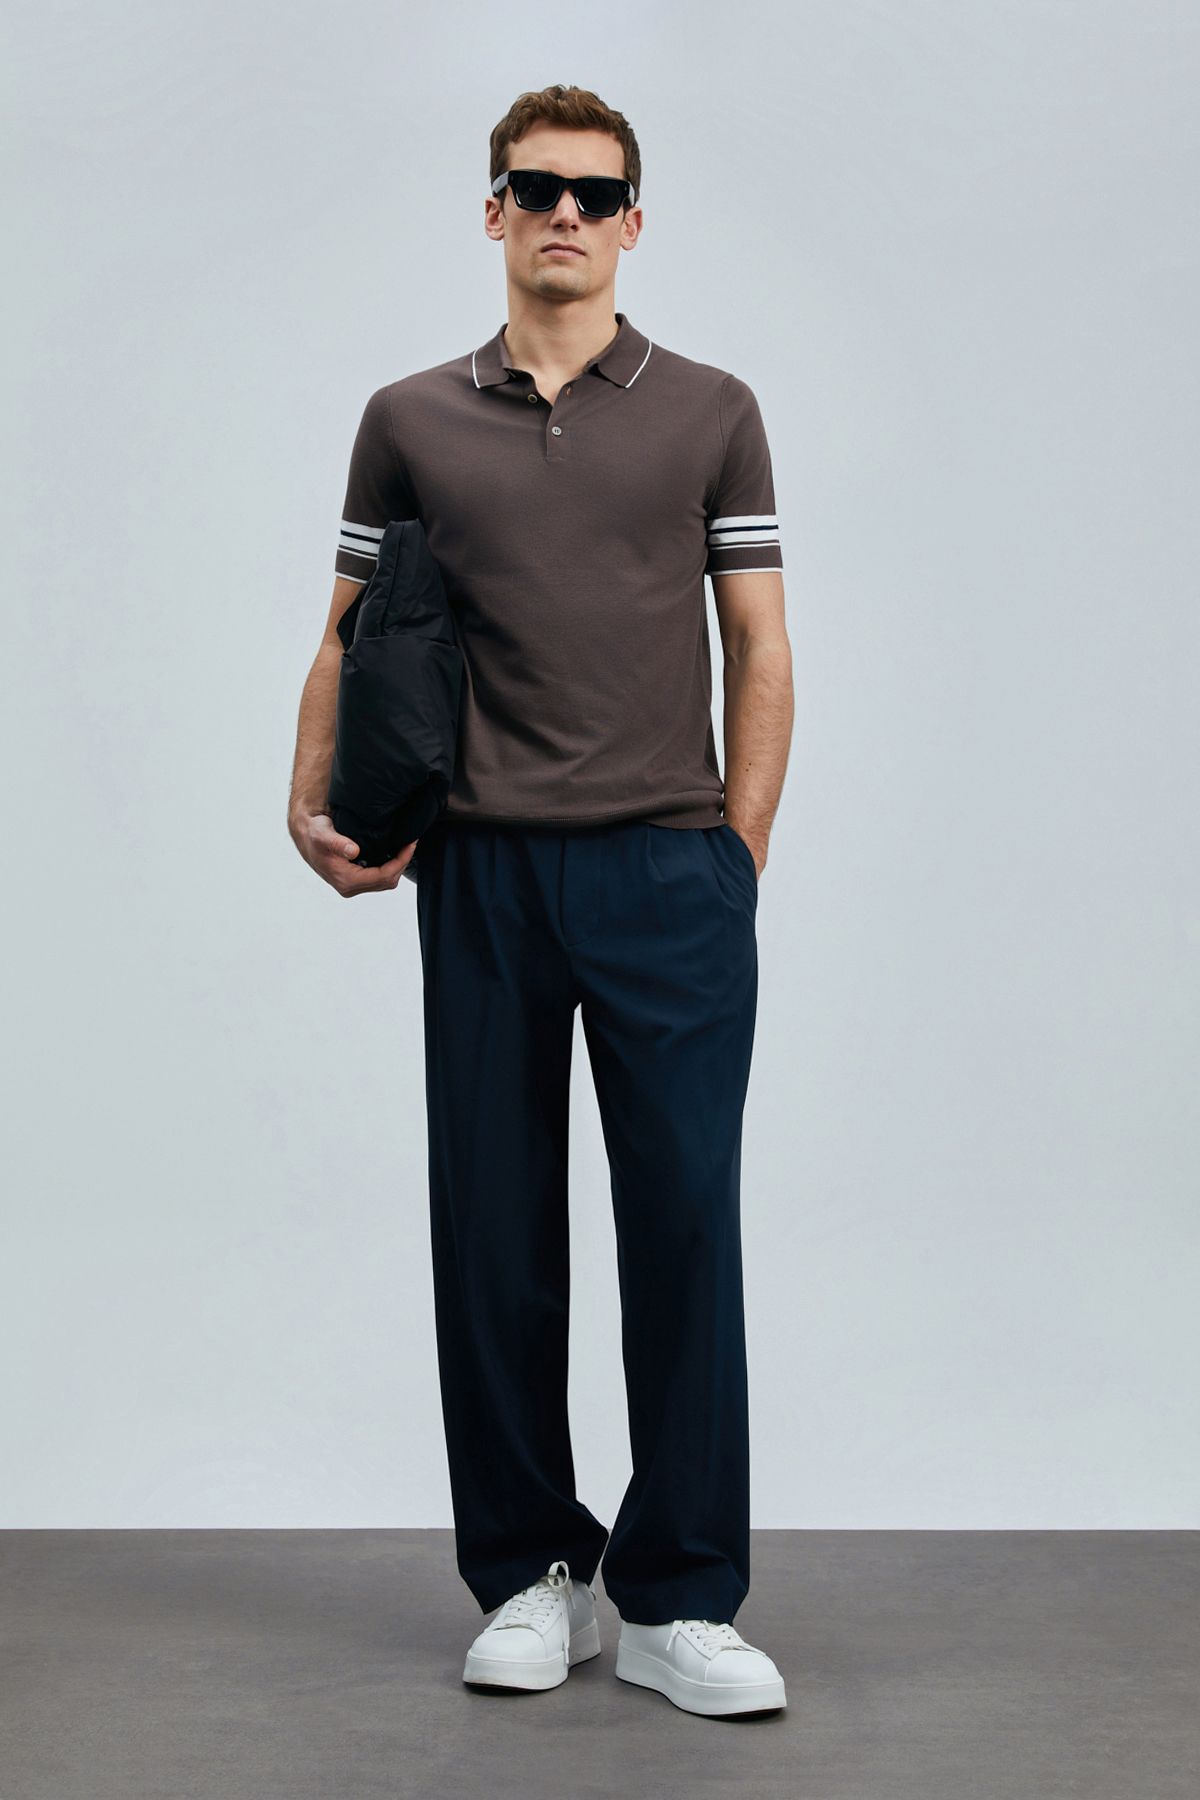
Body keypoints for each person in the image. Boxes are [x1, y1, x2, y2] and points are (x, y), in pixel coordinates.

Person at [288, 83, 794, 1719]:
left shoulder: (712, 410)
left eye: (593, 191)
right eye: (534, 187)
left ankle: (680, 1597)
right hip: (484, 869)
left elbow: (759, 642)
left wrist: (735, 855)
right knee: (494, 1227)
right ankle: (528, 1574)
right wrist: (307, 795)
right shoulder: (410, 417)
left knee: (686, 1225)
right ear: (494, 211)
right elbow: (348, 630)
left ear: (633, 220)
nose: (563, 212)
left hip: (668, 867)